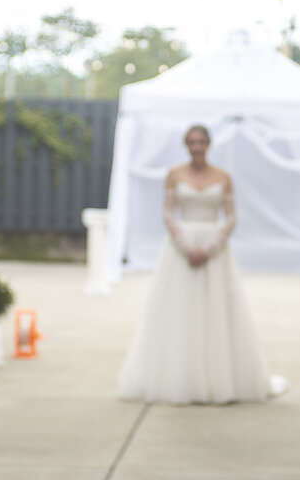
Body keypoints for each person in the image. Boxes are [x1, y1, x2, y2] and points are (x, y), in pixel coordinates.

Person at [117, 124, 280, 404]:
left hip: (214, 251)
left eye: (201, 141)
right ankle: (179, 379)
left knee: (217, 311)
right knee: (179, 312)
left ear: (209, 144)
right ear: (185, 145)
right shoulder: (174, 174)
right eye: (191, 142)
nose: (196, 146)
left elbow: (230, 217)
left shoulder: (223, 176)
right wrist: (186, 246)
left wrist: (210, 247)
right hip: (181, 250)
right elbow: (168, 214)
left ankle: (219, 379)